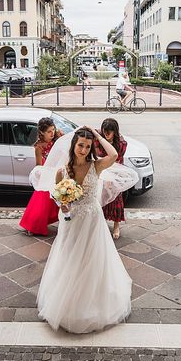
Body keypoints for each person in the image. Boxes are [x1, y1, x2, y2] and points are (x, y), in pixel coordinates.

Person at [36, 127, 137, 333]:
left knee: (94, 260)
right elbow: (59, 200)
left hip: (92, 221)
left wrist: (97, 135)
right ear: (74, 145)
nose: (83, 149)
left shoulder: (96, 166)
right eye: (80, 145)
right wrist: (63, 205)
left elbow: (114, 155)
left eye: (87, 146)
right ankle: (68, 304)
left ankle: (94, 304)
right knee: (71, 260)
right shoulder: (61, 172)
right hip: (72, 222)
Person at [19, 118, 62, 236]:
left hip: (59, 173)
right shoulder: (39, 147)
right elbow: (38, 165)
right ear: (42, 132)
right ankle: (34, 225)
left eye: (53, 129)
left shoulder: (58, 137)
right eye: (49, 131)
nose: (52, 133)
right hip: (47, 175)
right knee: (42, 202)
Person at [95, 118, 128, 240]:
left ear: (115, 131)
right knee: (100, 198)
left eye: (109, 132)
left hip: (115, 172)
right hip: (101, 172)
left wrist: (110, 179)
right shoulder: (98, 139)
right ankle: (100, 224)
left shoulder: (121, 144)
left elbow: (116, 160)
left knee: (116, 199)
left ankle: (116, 225)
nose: (106, 135)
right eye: (105, 132)